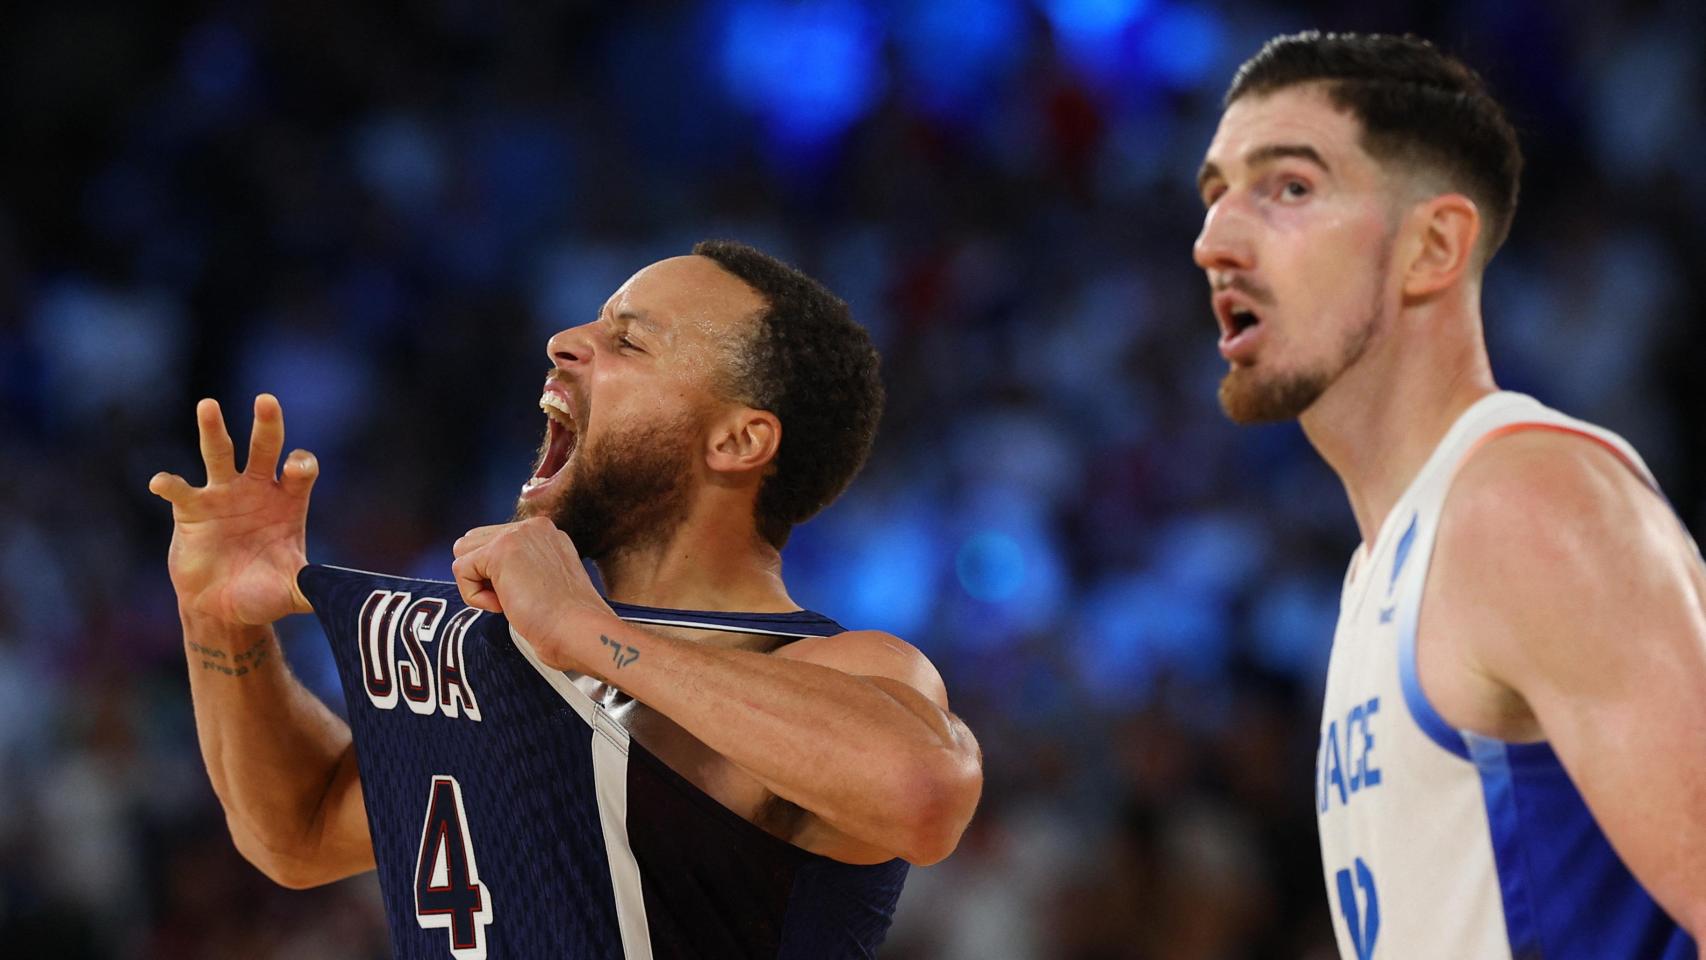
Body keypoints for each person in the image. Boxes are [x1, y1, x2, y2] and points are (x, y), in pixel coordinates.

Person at [148, 240, 983, 958]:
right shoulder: (510, 661)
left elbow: (923, 792)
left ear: (737, 440)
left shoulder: (828, 667)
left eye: (629, 340)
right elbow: (294, 832)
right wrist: (220, 618)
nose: (564, 341)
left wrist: (587, 631)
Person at [1193, 31, 1704, 959]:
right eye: (1216, 193)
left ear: (1433, 245)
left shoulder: (1526, 502)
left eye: (1290, 188)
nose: (1214, 241)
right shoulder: (1381, 564)